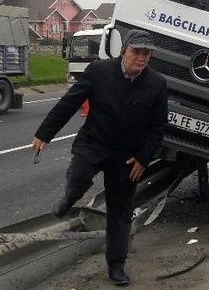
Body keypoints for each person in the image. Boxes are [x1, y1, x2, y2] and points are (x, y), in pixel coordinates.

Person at [32, 29, 168, 286]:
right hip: (94, 143)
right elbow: (69, 103)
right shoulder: (98, 71)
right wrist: (44, 134)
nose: (141, 58)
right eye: (136, 52)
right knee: (78, 176)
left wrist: (143, 158)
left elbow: (158, 126)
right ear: (124, 51)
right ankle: (69, 198)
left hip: (127, 156)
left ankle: (116, 266)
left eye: (146, 54)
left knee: (120, 212)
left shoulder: (157, 84)